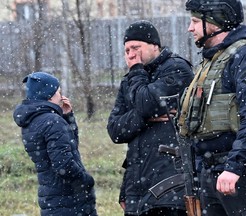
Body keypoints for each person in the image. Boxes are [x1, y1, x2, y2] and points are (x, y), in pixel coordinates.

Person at [177, 0, 246, 215]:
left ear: (217, 21)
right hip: (213, 173)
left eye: (196, 21)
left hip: (243, 175)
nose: (190, 28)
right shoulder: (212, 61)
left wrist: (235, 166)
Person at [107, 20, 194, 216]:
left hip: (171, 186)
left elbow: (146, 103)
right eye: (127, 50)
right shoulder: (129, 80)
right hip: (137, 187)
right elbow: (115, 130)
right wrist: (145, 116)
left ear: (155, 46)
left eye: (136, 48)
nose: (131, 55)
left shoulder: (177, 69)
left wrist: (137, 72)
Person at [13, 72, 97, 216]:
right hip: (69, 199)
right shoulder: (53, 121)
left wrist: (67, 116)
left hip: (51, 197)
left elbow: (69, 146)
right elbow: (64, 165)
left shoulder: (33, 120)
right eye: (58, 91)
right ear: (49, 95)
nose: (60, 96)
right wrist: (85, 180)